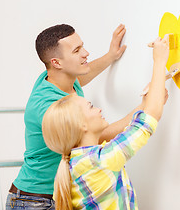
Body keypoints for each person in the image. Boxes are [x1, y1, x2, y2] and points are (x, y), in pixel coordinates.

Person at [6, 23, 142, 210]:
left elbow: (81, 77)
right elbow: (100, 135)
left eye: (82, 46)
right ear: (56, 63)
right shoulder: (49, 105)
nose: (85, 53)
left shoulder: (61, 79)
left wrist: (110, 56)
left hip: (58, 196)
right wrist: (145, 107)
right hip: (34, 201)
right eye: (77, 50)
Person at [41, 35, 170, 210]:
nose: (99, 109)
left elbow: (144, 116)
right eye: (91, 107)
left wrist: (149, 101)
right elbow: (149, 119)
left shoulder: (76, 163)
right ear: (82, 126)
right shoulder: (101, 160)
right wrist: (160, 59)